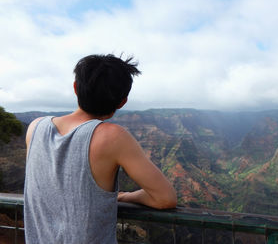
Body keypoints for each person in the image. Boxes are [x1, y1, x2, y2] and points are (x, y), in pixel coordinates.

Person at [24, 54, 177, 244]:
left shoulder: (34, 128)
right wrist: (125, 196)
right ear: (123, 102)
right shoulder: (113, 137)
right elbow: (165, 198)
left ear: (75, 88)